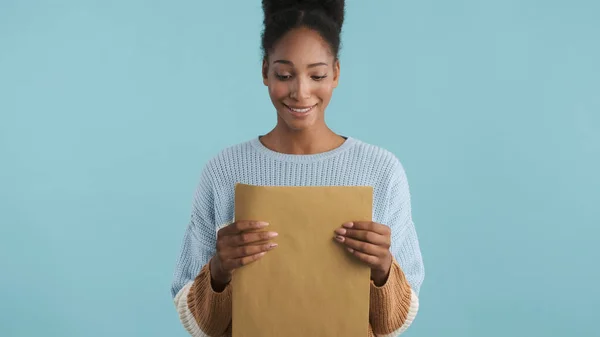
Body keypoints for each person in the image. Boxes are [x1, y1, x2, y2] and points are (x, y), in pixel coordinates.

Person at [170, 0, 425, 336]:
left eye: (316, 75)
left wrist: (383, 270)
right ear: (265, 71)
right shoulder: (224, 171)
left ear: (335, 73)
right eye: (284, 75)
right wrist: (218, 271)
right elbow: (197, 323)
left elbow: (394, 324)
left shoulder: (380, 171)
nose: (300, 92)